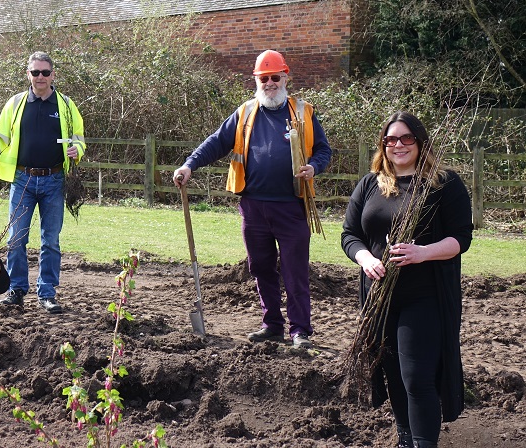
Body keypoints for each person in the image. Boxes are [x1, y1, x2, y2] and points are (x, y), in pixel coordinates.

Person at [173, 49, 332, 349]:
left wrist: (315, 167)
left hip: (292, 206)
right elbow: (216, 143)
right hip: (253, 207)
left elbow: (324, 150)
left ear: (285, 77)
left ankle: (300, 331)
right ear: (256, 80)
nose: (270, 83)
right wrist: (189, 165)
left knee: (295, 271)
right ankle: (272, 325)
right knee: (260, 267)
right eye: (264, 78)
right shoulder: (245, 112)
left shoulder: (303, 112)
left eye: (275, 77)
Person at [341, 111, 473, 448]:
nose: (397, 145)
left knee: (416, 378)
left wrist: (422, 252)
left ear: (419, 141)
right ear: (382, 146)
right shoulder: (370, 184)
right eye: (390, 140)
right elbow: (350, 234)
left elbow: (461, 238)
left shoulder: (443, 184)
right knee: (394, 376)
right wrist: (365, 257)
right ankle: (405, 439)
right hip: (379, 299)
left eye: (406, 138)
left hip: (424, 296)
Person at [0, 51, 85, 314]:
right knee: (16, 239)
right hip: (22, 180)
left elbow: (79, 139)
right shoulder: (15, 104)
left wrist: (77, 150)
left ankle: (47, 293)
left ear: (53, 74)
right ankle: (16, 290)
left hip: (54, 180)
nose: (40, 77)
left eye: (45, 72)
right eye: (35, 72)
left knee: (50, 240)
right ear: (28, 74)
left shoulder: (66, 105)